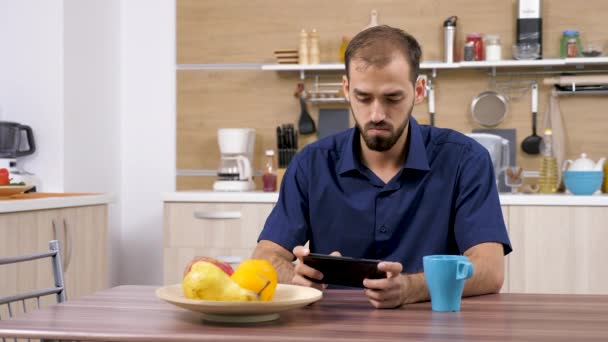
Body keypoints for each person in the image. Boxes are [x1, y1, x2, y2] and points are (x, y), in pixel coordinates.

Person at [252, 25, 512, 309]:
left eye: (393, 98)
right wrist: (296, 278)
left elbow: (489, 270)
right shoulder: (310, 164)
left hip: (433, 328)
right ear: (347, 90)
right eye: (363, 98)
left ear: (419, 90)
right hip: (331, 328)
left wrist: (411, 288)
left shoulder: (466, 160)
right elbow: (265, 256)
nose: (377, 115)